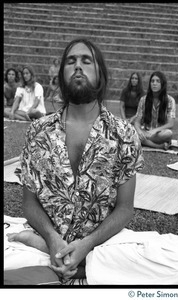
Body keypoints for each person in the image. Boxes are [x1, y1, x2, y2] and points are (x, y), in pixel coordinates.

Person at [5, 38, 144, 284]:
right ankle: (57, 253)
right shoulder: (38, 131)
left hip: (101, 244)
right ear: (62, 75)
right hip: (51, 237)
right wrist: (51, 237)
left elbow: (124, 208)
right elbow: (29, 203)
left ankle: (58, 256)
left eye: (86, 60)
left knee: (149, 265)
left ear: (100, 74)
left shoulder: (125, 134)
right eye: (71, 61)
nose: (78, 66)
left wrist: (88, 244)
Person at [134, 71, 176, 150]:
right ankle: (159, 146)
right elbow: (137, 122)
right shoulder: (143, 100)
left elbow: (171, 124)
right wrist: (139, 131)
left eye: (157, 81)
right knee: (133, 132)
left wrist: (154, 131)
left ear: (162, 84)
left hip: (159, 133)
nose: (154, 83)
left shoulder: (170, 100)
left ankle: (144, 142)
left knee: (168, 134)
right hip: (145, 132)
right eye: (152, 81)